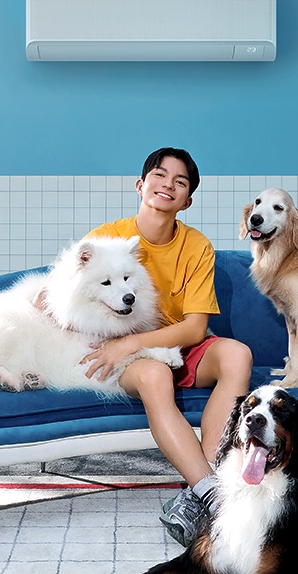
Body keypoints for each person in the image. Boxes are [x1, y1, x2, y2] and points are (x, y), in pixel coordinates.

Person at [82, 147, 253, 546]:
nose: (168, 185)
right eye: (160, 176)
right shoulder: (107, 238)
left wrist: (135, 341)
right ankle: (215, 495)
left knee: (237, 354)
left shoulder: (196, 246)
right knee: (157, 374)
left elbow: (195, 329)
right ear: (141, 185)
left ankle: (203, 488)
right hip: (126, 353)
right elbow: (69, 290)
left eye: (180, 182)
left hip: (167, 342)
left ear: (187, 200)